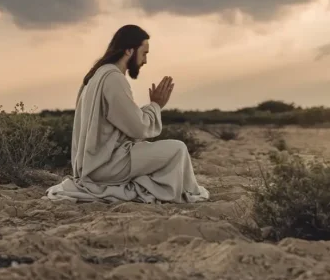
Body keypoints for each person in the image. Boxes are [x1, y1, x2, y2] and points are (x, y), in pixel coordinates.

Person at [45, 24, 210, 204]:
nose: (145, 60)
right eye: (144, 53)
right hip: (107, 165)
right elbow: (138, 128)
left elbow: (124, 121)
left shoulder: (96, 76)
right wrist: (156, 105)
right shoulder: (113, 78)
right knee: (178, 149)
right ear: (129, 51)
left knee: (166, 151)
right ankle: (184, 193)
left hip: (93, 165)